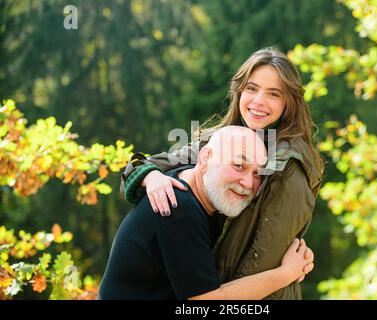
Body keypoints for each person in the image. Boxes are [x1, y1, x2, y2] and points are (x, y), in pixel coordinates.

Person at [121, 47, 323, 299]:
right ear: (239, 91)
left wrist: (210, 293)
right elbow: (143, 165)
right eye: (251, 88)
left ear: (289, 103)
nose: (258, 101)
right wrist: (151, 177)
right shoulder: (220, 140)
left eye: (273, 94)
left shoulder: (288, 167)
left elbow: (260, 262)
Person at [100, 126, 313, 299]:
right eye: (239, 165)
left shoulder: (194, 188)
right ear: (204, 159)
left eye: (257, 174)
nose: (248, 182)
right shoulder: (177, 209)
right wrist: (286, 273)